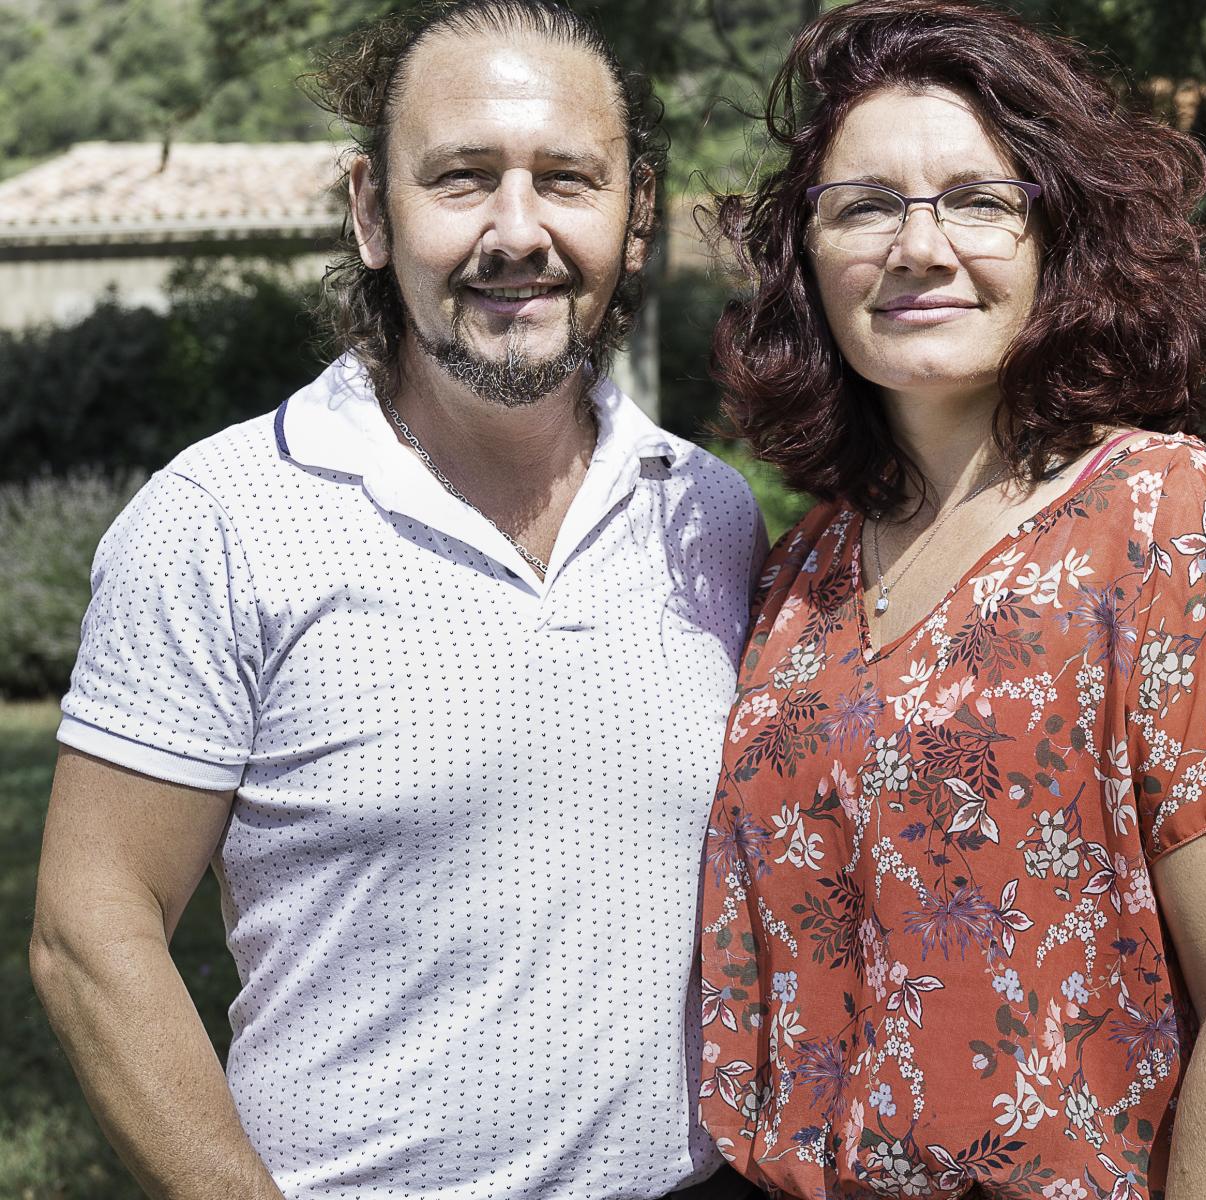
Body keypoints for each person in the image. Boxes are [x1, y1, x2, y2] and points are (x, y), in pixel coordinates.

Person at [29, 3, 763, 1197]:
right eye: (463, 179)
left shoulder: (709, 514)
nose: (516, 231)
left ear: (634, 218)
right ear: (374, 211)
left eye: (568, 180)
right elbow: (89, 931)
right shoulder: (219, 519)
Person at [697, 2, 1206, 1197]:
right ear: (807, 261)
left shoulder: (1172, 524)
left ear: (1058, 237)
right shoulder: (805, 567)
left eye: (978, 199)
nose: (919, 247)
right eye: (866, 206)